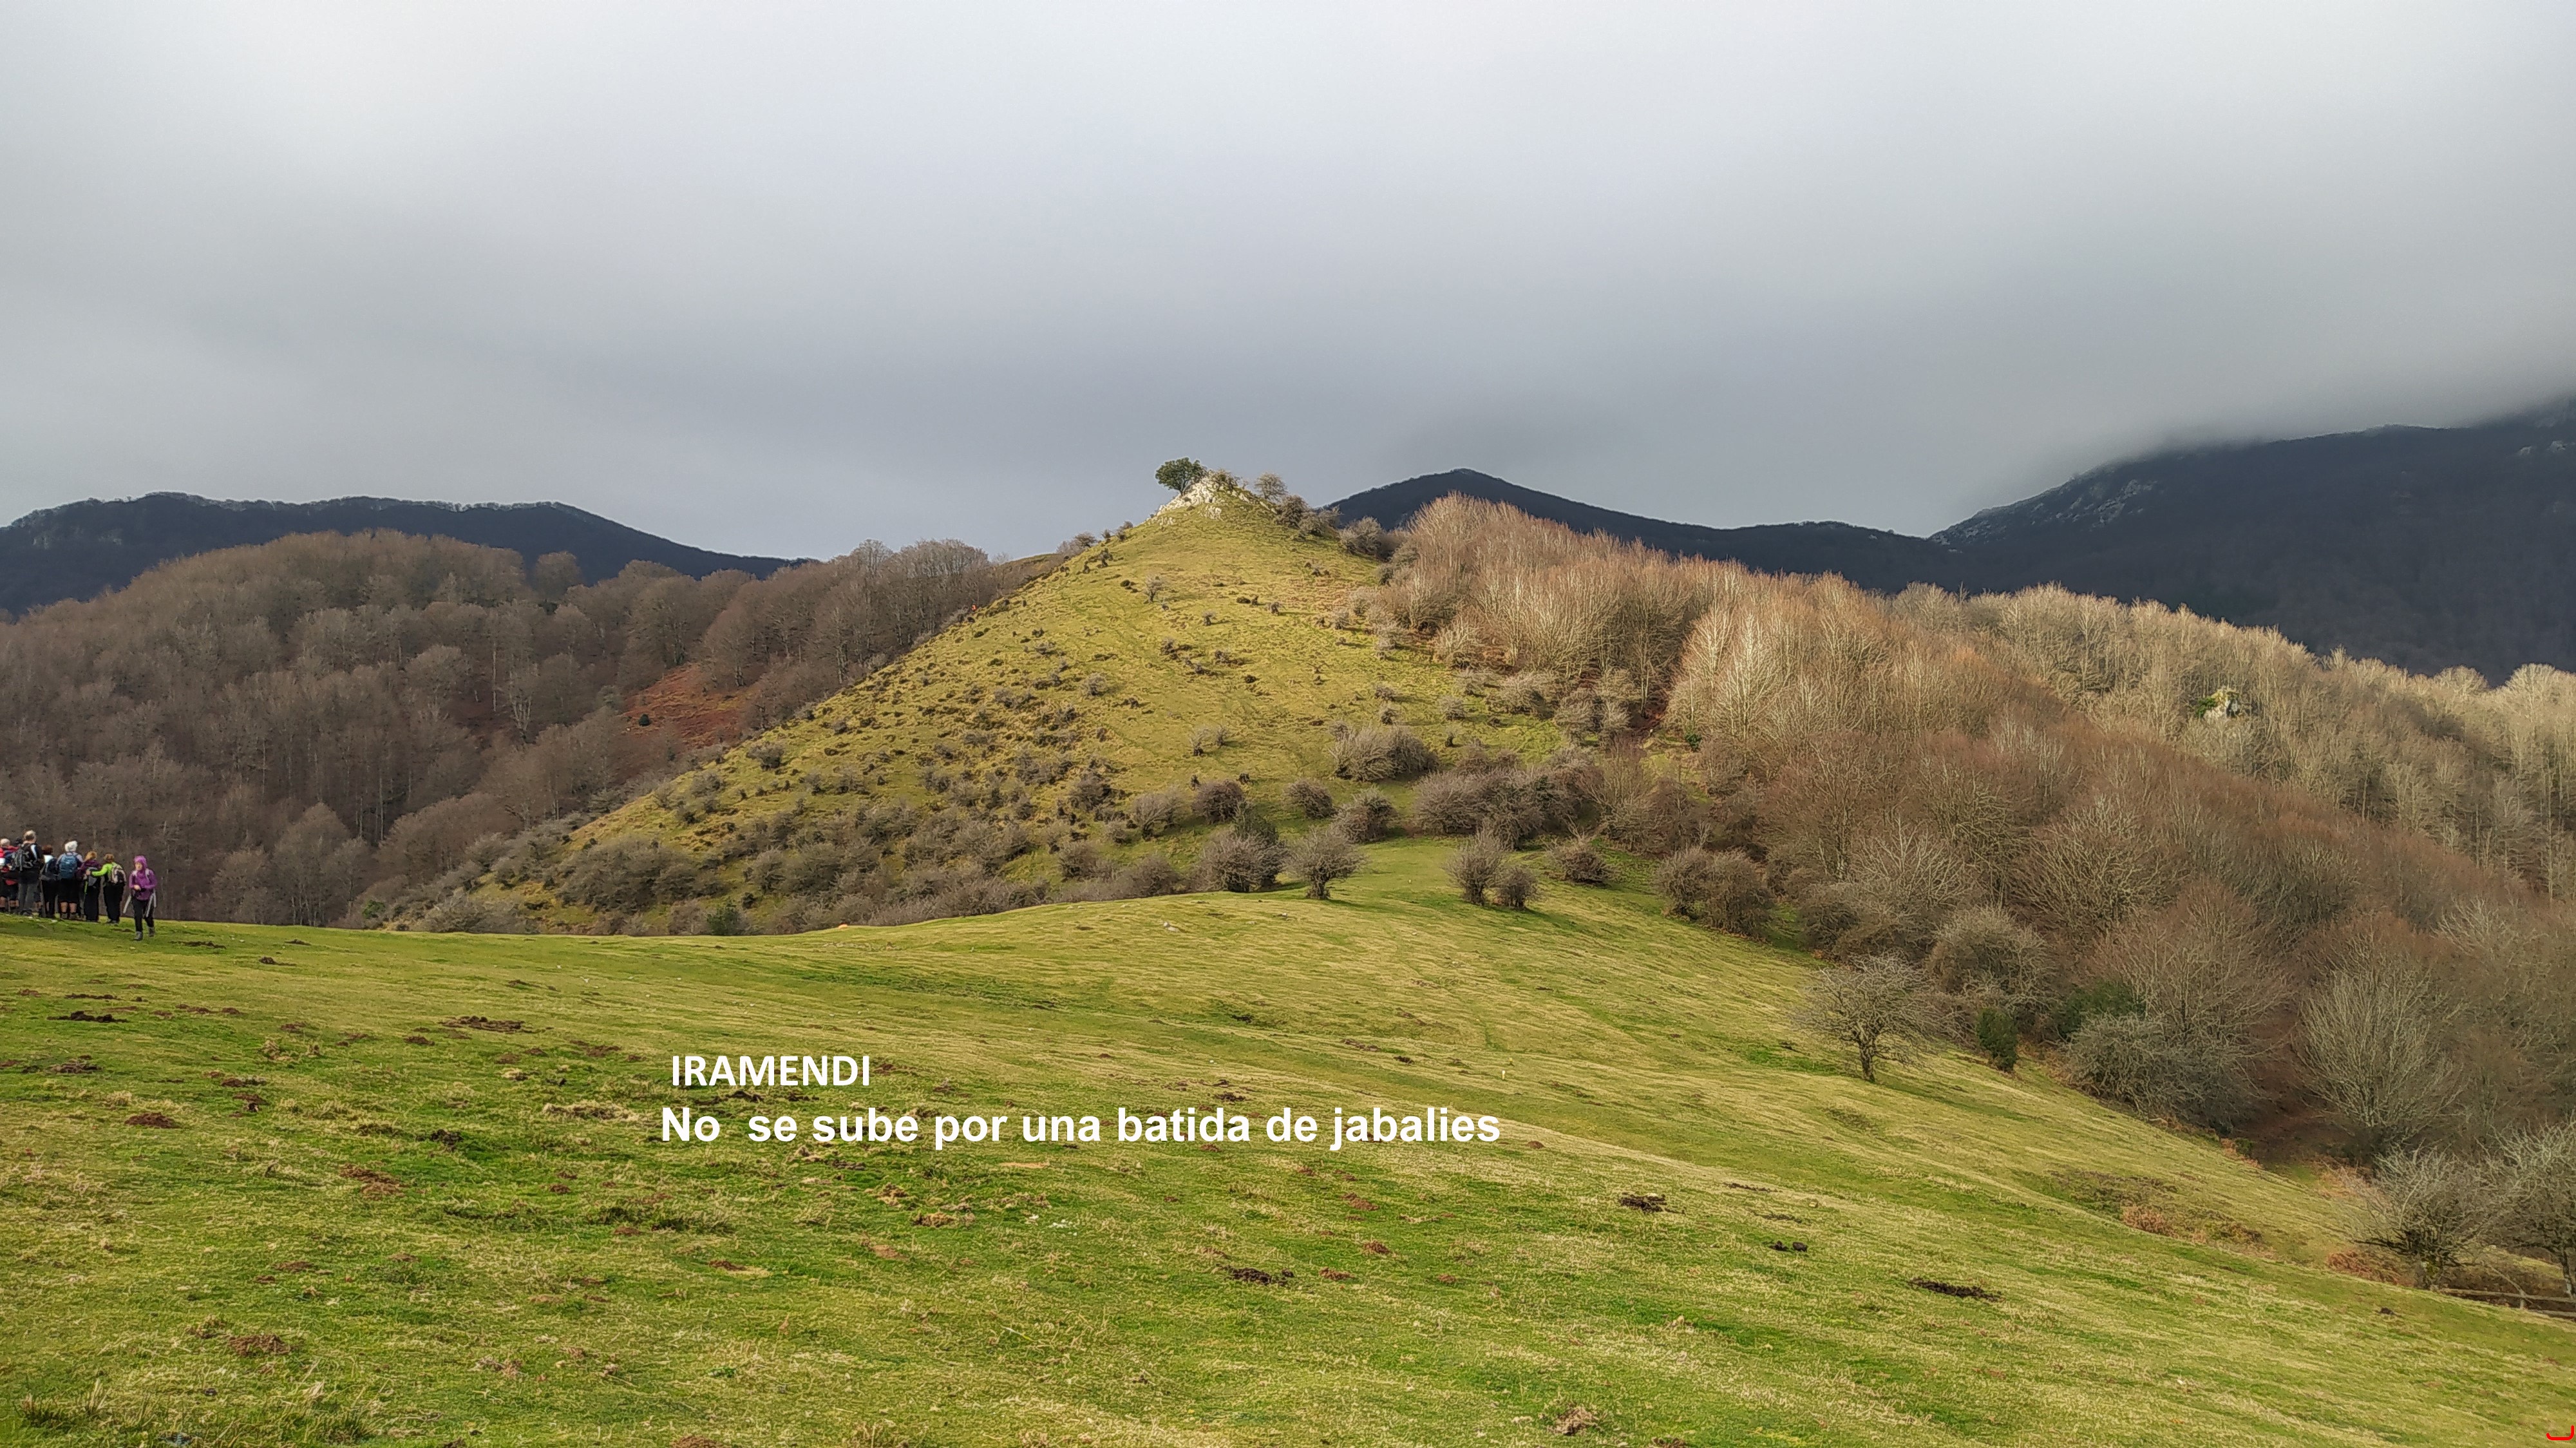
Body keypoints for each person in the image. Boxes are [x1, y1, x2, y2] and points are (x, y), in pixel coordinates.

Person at [126, 856, 156, 939]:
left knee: (147, 916)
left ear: (143, 864)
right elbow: (131, 884)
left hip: (148, 897)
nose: (138, 866)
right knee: (138, 915)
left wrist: (145, 887)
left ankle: (151, 927)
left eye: (140, 864)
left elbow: (154, 884)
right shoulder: (134, 874)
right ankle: (139, 933)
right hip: (137, 897)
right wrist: (135, 886)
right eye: (136, 864)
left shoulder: (149, 873)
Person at [96, 854, 125, 926]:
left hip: (109, 886)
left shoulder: (106, 866)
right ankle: (117, 919)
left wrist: (91, 873)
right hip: (119, 887)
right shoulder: (118, 866)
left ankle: (112, 918)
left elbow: (101, 873)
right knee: (117, 902)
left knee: (110, 902)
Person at [80, 848, 102, 922]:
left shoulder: (85, 864)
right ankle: (94, 917)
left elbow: (80, 873)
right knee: (94, 900)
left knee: (87, 900)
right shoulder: (98, 865)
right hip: (96, 886)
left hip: (86, 884)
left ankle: (88, 916)